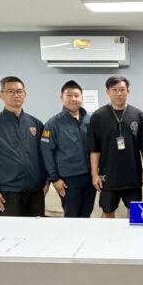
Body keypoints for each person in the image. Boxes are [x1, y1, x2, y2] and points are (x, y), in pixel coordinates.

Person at [0, 76, 47, 216]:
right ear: (1, 95)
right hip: (8, 193)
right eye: (10, 91)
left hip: (35, 192)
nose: (16, 95)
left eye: (19, 91)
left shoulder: (36, 124)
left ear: (25, 94)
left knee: (37, 228)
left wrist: (47, 181)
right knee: (11, 229)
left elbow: (44, 156)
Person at [88, 76, 143, 218]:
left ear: (128, 91)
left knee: (134, 214)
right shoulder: (98, 116)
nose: (119, 93)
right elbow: (94, 149)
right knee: (107, 212)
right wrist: (94, 174)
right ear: (107, 92)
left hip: (133, 175)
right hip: (108, 176)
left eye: (122, 89)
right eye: (114, 90)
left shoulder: (138, 114)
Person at [41, 80, 96, 218]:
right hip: (68, 180)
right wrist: (54, 179)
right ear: (62, 98)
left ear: (82, 98)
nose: (73, 99)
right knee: (71, 216)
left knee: (86, 214)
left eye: (76, 95)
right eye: (69, 95)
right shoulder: (53, 124)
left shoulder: (90, 120)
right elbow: (46, 153)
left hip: (89, 178)